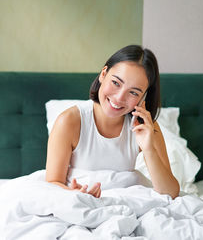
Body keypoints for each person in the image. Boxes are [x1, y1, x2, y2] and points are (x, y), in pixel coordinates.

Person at [45, 45, 180, 199]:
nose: (119, 98)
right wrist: (77, 194)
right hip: (78, 202)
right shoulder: (69, 121)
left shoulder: (146, 128)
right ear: (103, 74)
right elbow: (53, 183)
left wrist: (149, 149)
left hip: (124, 203)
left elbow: (170, 192)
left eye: (134, 92)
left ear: (144, 97)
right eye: (116, 83)